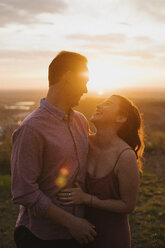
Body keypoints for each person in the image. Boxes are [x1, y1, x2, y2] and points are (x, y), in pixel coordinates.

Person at [11, 51, 97, 248]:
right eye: (83, 81)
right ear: (67, 77)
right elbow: (24, 192)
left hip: (78, 234)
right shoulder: (31, 129)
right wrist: (72, 222)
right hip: (41, 237)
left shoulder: (81, 121)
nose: (85, 89)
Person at [58, 94, 144, 248]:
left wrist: (86, 198)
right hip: (79, 235)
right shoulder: (83, 144)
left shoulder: (125, 156)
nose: (98, 105)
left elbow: (128, 205)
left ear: (121, 118)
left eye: (108, 103)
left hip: (112, 237)